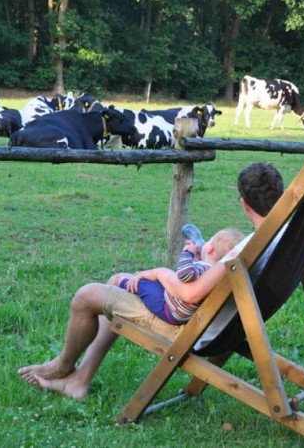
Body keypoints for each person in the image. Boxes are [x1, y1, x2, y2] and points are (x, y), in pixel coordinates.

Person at [18, 162, 285, 400]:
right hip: (227, 326)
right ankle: (78, 380)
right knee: (115, 283)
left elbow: (190, 294)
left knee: (86, 296)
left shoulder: (245, 251)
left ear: (244, 203)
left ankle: (63, 367)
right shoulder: (283, 237)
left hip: (189, 328)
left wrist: (159, 273)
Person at [111, 227, 245, 325]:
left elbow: (184, 275)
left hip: (168, 308)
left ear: (209, 249)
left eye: (209, 241)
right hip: (180, 309)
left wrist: (188, 253)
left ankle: (124, 283)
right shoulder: (215, 275)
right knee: (153, 280)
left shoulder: (203, 269)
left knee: (142, 282)